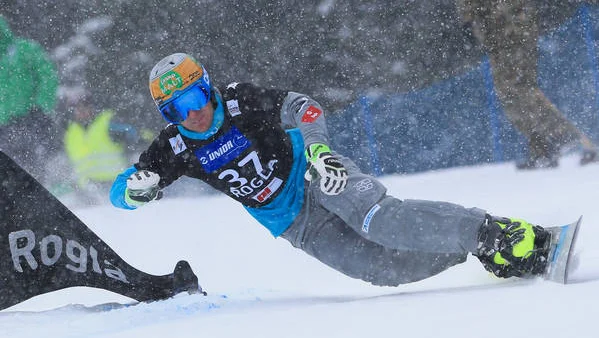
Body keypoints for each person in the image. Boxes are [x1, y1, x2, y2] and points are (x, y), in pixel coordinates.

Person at [111, 53, 551, 286]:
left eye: (193, 100)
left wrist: (320, 151)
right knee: (382, 270)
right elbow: (119, 193)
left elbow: (304, 106)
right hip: (295, 224)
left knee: (381, 220)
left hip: (317, 176)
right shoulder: (173, 146)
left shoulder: (238, 101)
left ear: (206, 87)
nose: (191, 116)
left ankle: (497, 233)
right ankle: (476, 247)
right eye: (175, 110)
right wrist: (135, 191)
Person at [456, 0, 598, 169]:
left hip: (508, 26)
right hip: (499, 28)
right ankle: (543, 149)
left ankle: (570, 138)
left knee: (519, 88)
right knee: (510, 92)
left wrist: (468, 17)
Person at [0, 15, 59, 180]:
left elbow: (48, 75)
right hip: (3, 126)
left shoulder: (24, 49)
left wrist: (41, 105)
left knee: (36, 164)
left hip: (30, 117)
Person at [64, 92, 143, 203]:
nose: (81, 112)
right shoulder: (72, 132)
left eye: (84, 108)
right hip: (86, 191)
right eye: (77, 109)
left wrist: (131, 148)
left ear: (92, 108)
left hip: (115, 184)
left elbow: (132, 135)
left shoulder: (107, 123)